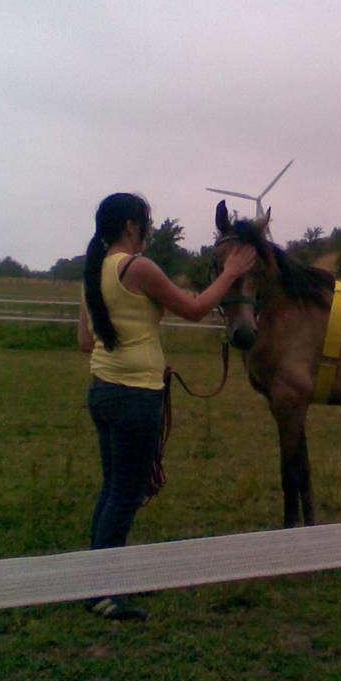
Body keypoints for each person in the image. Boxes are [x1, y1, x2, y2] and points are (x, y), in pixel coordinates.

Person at [78, 192, 255, 621]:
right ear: (131, 228)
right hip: (135, 396)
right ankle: (102, 591)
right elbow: (194, 309)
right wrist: (230, 273)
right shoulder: (137, 268)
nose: (149, 232)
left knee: (113, 487)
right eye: (146, 224)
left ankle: (95, 579)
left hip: (104, 389)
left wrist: (148, 356)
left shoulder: (95, 271)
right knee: (128, 492)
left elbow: (88, 341)